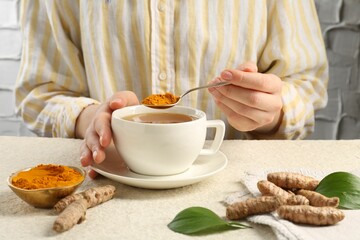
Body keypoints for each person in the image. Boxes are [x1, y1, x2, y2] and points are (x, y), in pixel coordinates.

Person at [15, 0, 328, 178]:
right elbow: (41, 91)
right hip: (110, 183)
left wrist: (271, 111)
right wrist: (93, 118)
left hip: (235, 183)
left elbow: (305, 83)